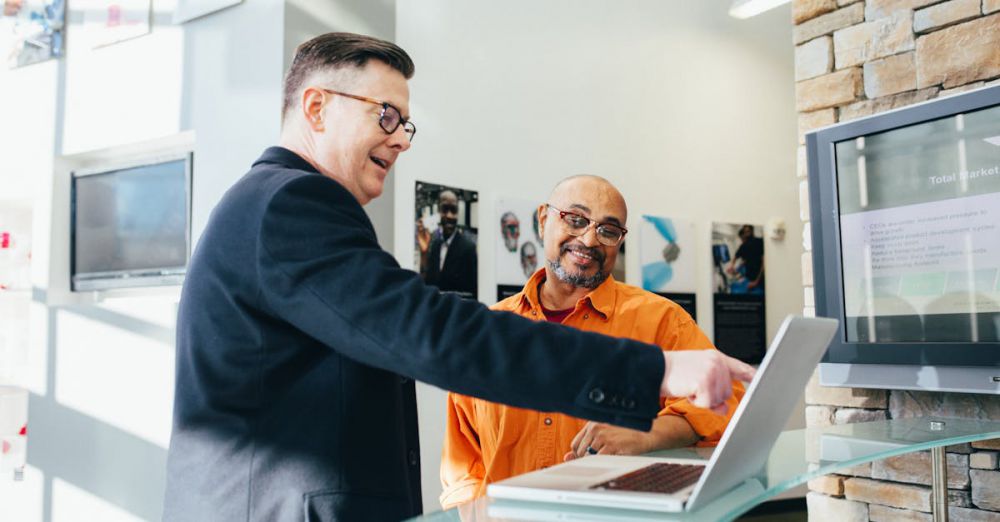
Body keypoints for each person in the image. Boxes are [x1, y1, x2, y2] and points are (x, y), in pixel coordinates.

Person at [163, 32, 755, 522]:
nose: (400, 137)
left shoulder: (276, 206)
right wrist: (658, 370)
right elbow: (430, 333)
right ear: (316, 107)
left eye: (406, 124)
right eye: (386, 115)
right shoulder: (290, 205)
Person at [439, 176, 746, 508]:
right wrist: (474, 511)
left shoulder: (662, 320)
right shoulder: (490, 331)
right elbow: (463, 462)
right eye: (575, 219)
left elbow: (729, 403)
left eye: (608, 230)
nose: (588, 239)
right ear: (543, 220)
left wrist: (646, 433)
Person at [416, 189, 478, 298]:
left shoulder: (468, 248)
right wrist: (424, 254)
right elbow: (427, 284)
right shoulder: (434, 244)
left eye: (453, 210)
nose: (449, 215)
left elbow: (472, 294)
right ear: (439, 211)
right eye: (445, 209)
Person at [727, 224, 765, 294]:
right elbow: (736, 256)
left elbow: (764, 263)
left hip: (759, 281)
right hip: (749, 279)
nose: (746, 235)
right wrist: (731, 265)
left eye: (748, 232)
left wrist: (756, 282)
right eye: (745, 232)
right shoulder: (744, 246)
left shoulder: (759, 242)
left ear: (752, 231)